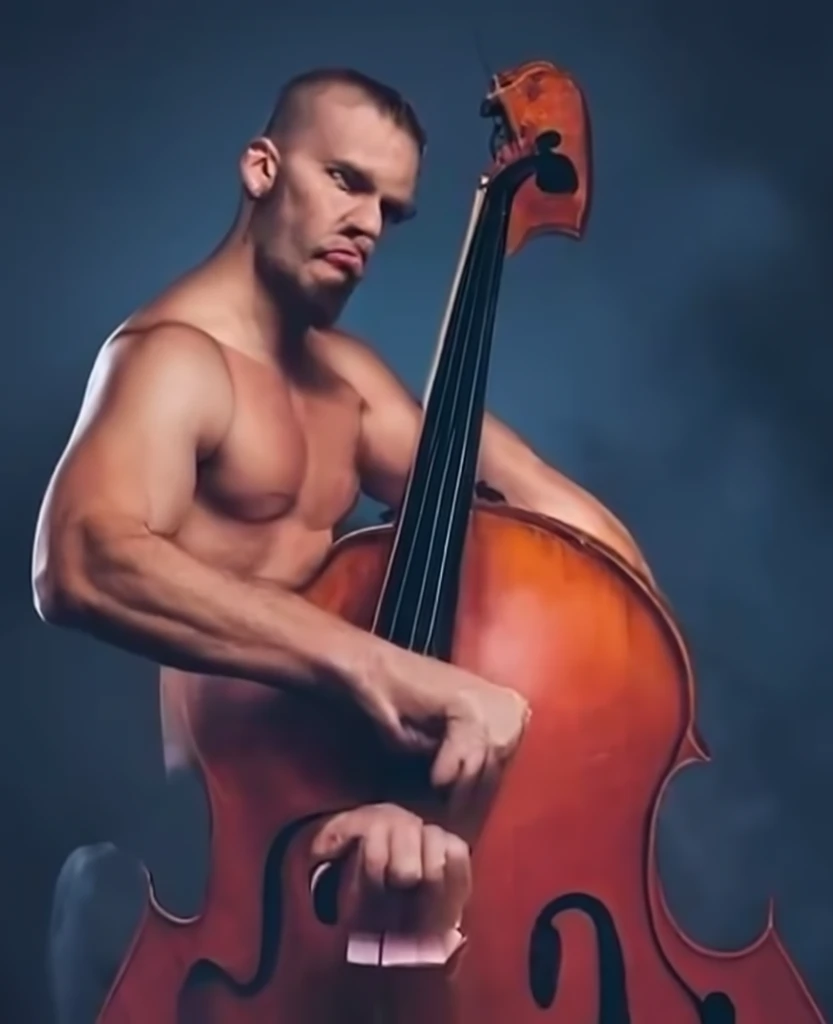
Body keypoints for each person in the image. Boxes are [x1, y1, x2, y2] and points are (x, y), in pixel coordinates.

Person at [32, 66, 653, 1023]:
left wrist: (634, 667)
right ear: (261, 167)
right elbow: (79, 561)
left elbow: (571, 528)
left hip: (347, 830)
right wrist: (387, 672)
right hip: (196, 866)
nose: (367, 224)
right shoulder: (169, 359)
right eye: (345, 180)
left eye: (392, 210)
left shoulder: (348, 386)